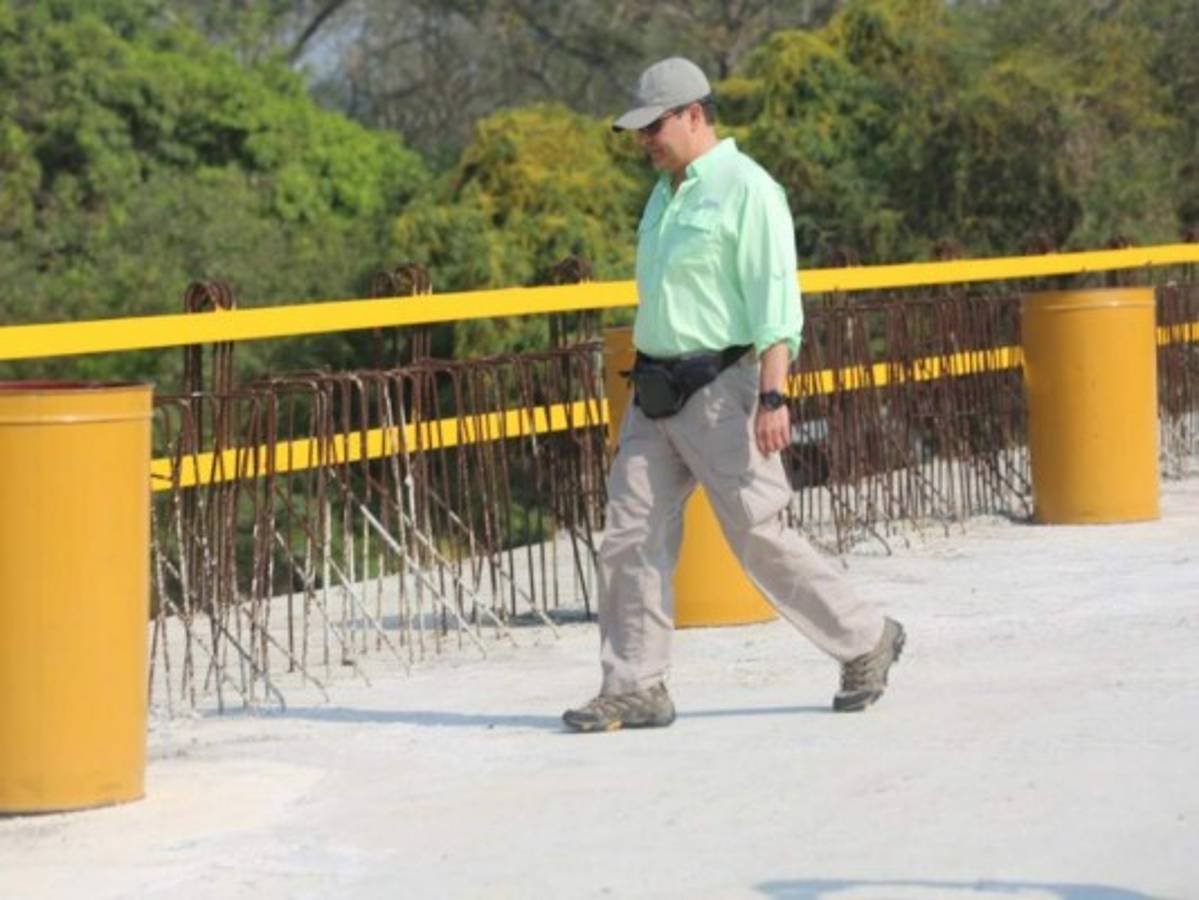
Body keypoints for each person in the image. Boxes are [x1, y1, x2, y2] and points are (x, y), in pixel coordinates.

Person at [563, 57, 904, 733]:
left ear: (693, 114)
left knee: (757, 535)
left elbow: (775, 302)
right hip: (652, 392)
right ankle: (634, 686)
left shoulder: (748, 189)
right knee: (629, 538)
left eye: (653, 128)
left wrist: (772, 399)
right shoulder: (666, 192)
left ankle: (865, 638)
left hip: (723, 391)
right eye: (639, 132)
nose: (644, 143)